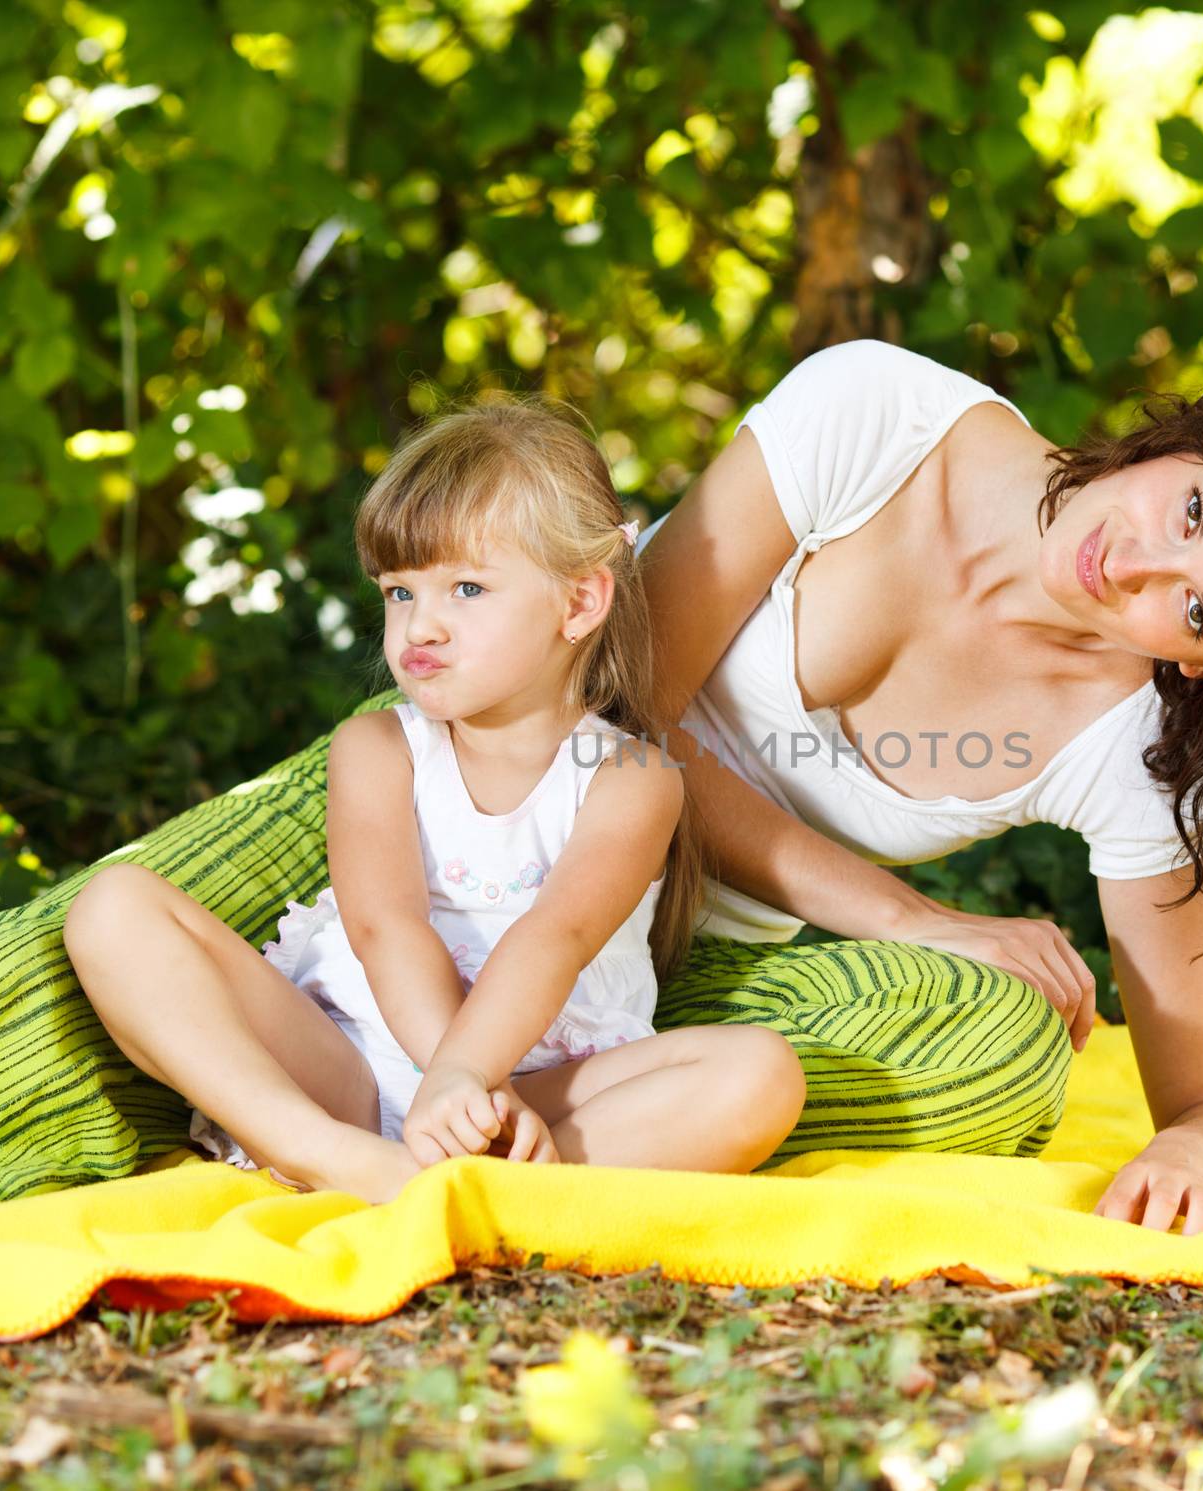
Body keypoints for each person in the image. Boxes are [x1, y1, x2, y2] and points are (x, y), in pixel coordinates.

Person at [634, 339, 1203, 1236]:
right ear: (1200, 442)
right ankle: (592, 1099)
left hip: (691, 974)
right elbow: (616, 722)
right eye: (1193, 511)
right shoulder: (879, 414)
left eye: (1195, 610)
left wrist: (1192, 1151)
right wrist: (914, 918)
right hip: (517, 855)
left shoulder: (1139, 744)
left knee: (1006, 1048)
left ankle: (598, 1087)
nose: (1132, 565)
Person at [59, 397, 807, 1204]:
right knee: (111, 907)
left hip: (533, 1102)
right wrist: (443, 1077)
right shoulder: (378, 749)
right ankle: (326, 1156)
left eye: (467, 588)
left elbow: (555, 936)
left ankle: (478, 1186)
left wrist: (471, 1084)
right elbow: (385, 927)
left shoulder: (630, 779)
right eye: (399, 592)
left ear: (580, 603)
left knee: (761, 1073)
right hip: (346, 1073)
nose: (422, 625)